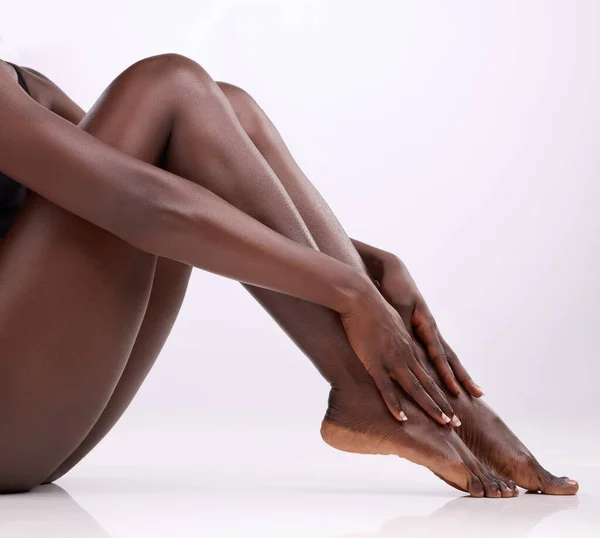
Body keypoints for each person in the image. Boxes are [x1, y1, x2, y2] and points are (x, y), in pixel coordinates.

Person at [0, 54, 578, 497]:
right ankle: (372, 395)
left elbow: (173, 179)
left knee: (223, 106)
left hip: (33, 421)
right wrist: (349, 291)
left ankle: (442, 405)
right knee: (168, 85)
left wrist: (372, 265)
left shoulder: (22, 86)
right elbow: (141, 205)